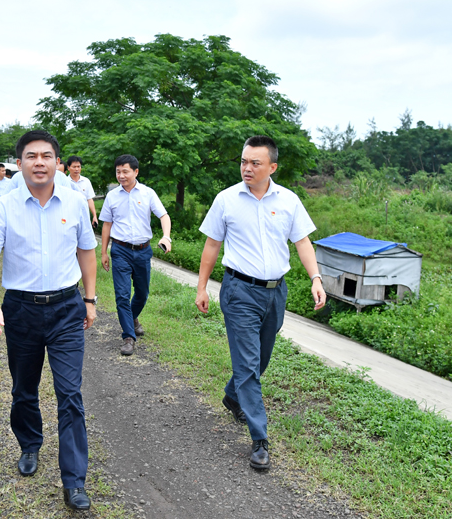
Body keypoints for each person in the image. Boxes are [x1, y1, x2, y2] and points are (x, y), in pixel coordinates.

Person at [0, 130, 97, 511]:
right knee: (23, 388)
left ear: (58, 163)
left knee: (70, 393)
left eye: (47, 156)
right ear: (19, 163)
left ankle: (74, 479)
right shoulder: (5, 207)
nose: (40, 162)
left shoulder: (76, 203)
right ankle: (30, 444)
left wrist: (90, 300)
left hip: (66, 308)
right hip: (22, 309)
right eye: (31, 156)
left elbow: (87, 253)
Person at [195, 135, 326, 470]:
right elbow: (211, 247)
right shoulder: (226, 200)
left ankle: (232, 395)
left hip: (275, 292)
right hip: (239, 291)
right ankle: (259, 439)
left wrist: (315, 278)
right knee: (249, 365)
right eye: (243, 161)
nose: (247, 168)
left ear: (272, 167)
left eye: (255, 163)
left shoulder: (289, 200)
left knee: (261, 357)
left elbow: (303, 243)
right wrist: (201, 288)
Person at [99, 155, 171, 356]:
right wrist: (104, 252)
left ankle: (132, 318)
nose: (121, 175)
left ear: (136, 172)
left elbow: (163, 216)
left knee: (142, 293)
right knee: (122, 295)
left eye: (125, 171)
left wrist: (166, 237)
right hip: (120, 250)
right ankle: (128, 336)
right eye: (118, 172)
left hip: (142, 251)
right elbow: (107, 224)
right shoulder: (112, 196)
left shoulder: (148, 193)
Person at [66, 156, 98, 226]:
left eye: (78, 166)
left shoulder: (86, 181)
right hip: (69, 216)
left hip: (84, 216)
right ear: (68, 167)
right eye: (74, 167)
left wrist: (94, 216)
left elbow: (89, 199)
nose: (77, 169)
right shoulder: (65, 182)